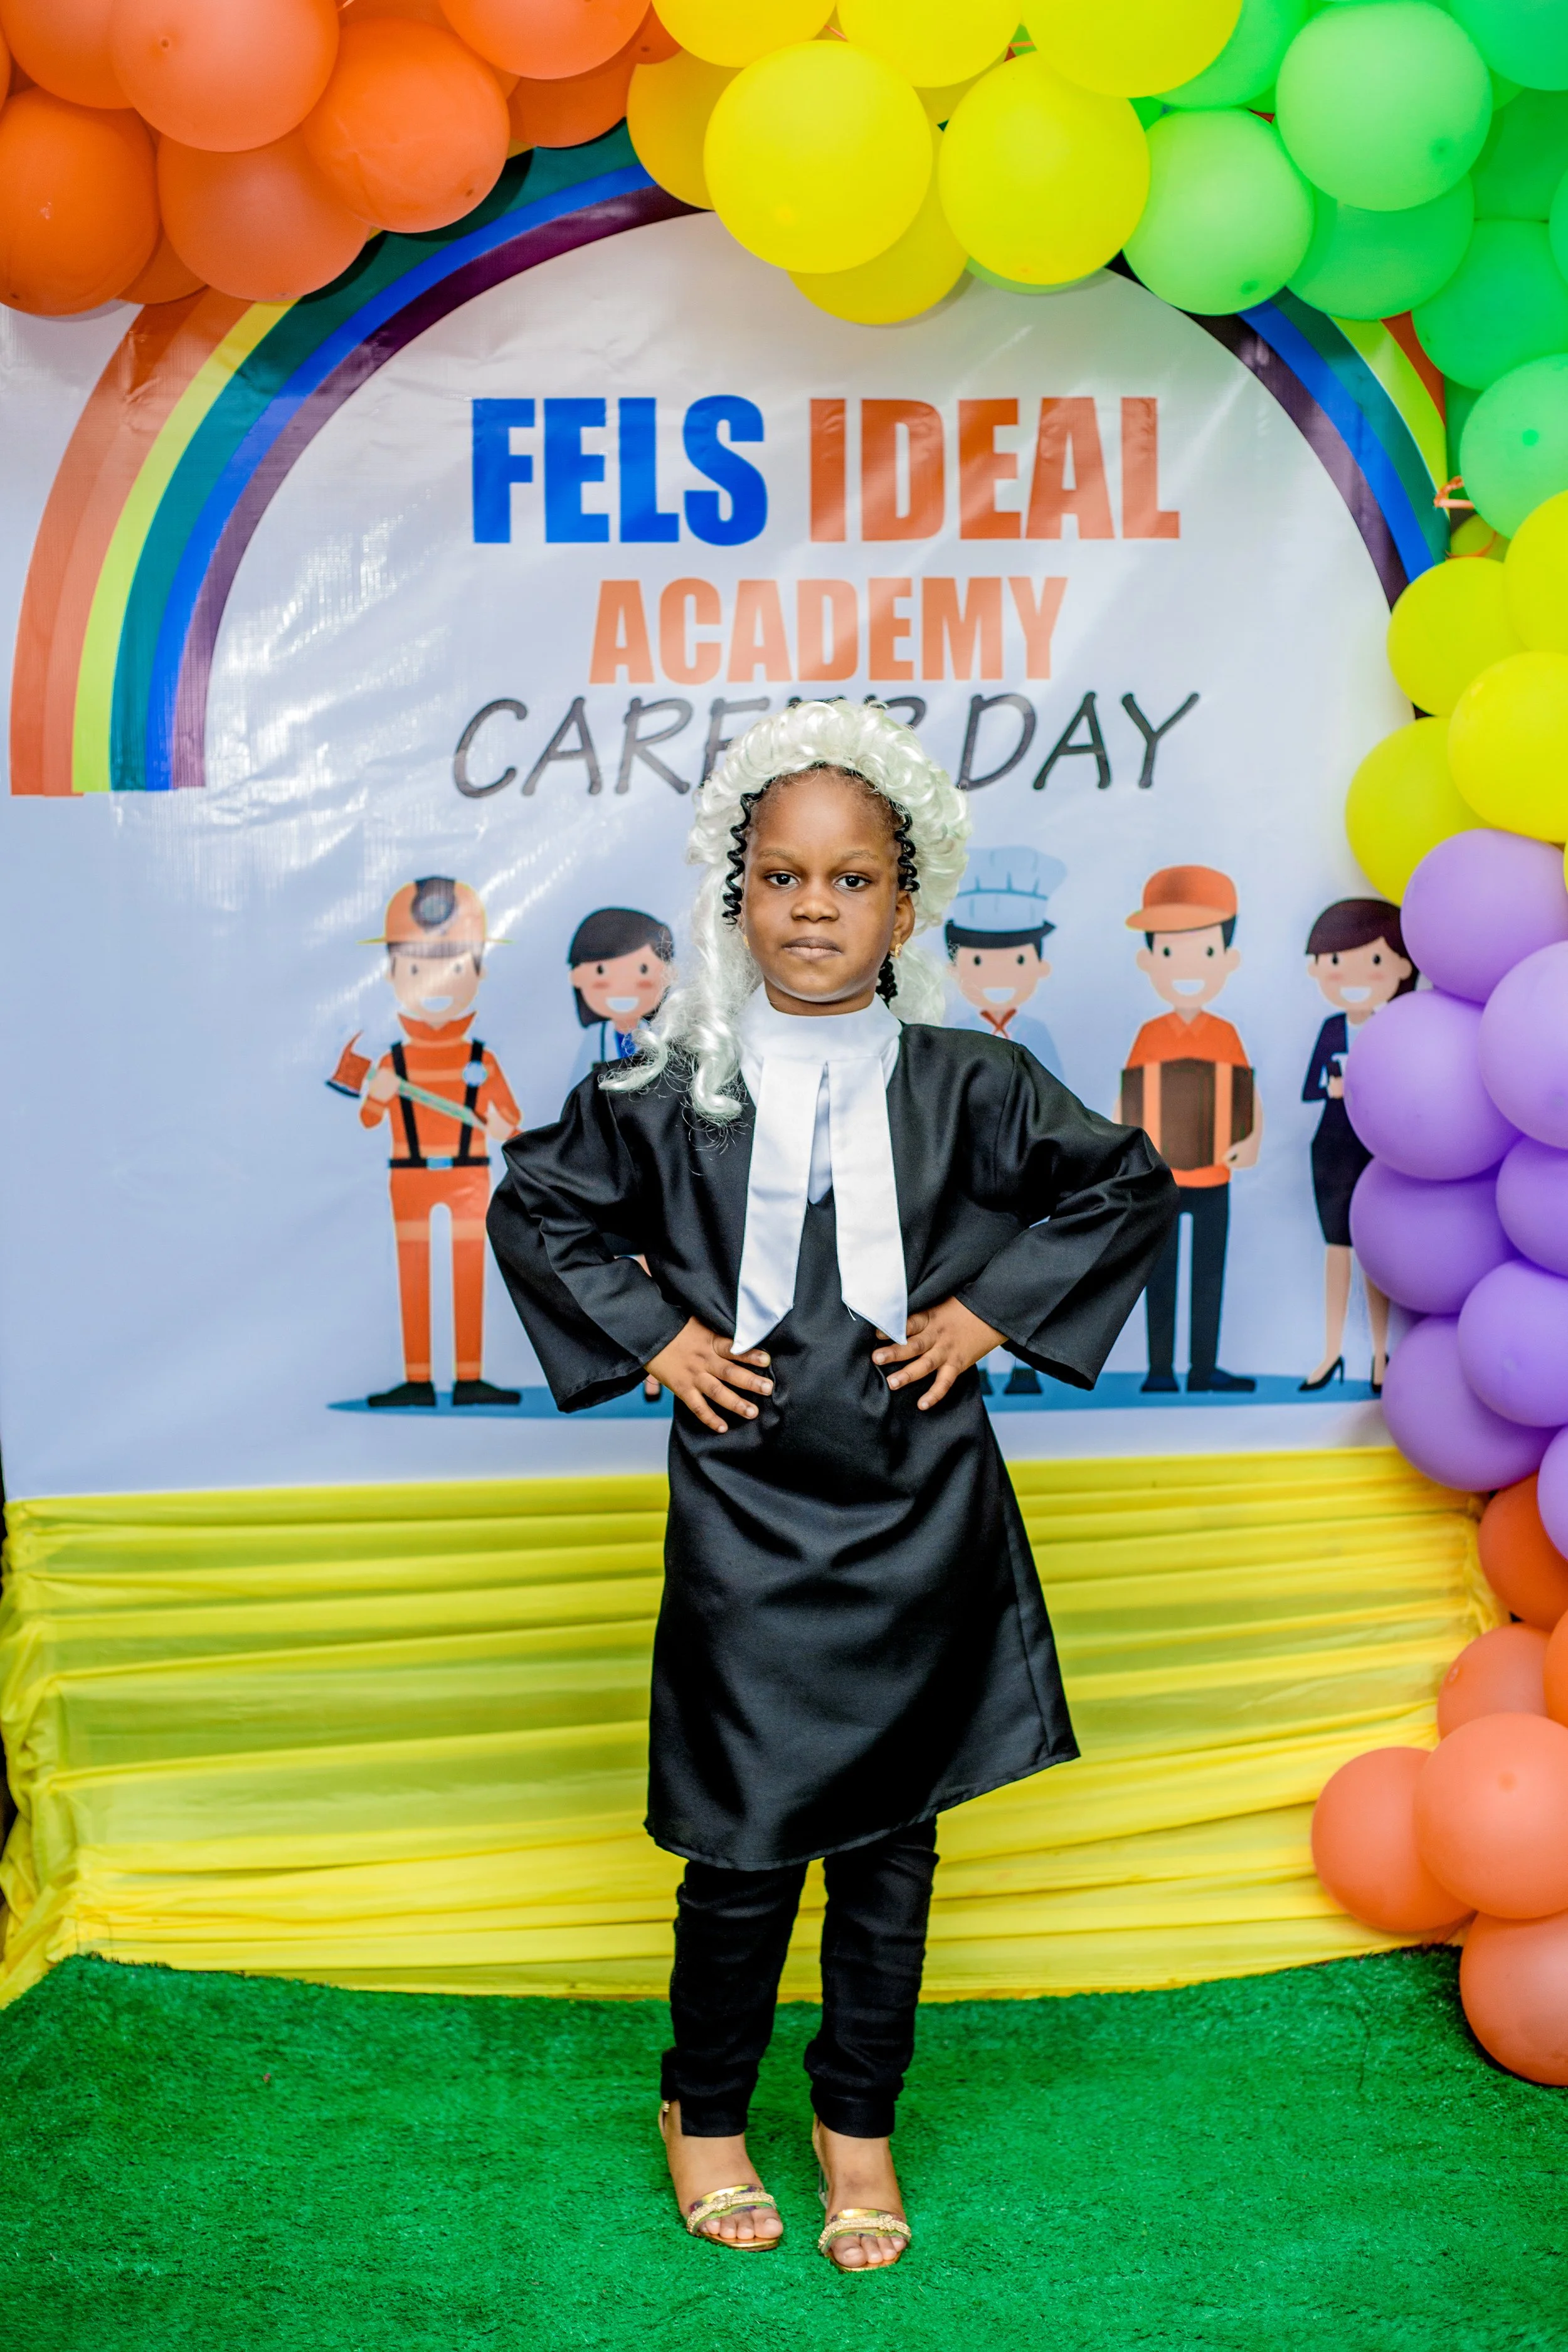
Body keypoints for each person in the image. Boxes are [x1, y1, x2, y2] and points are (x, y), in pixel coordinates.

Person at [488, 701, 1175, 2270]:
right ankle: (705, 2106)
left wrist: (992, 1306)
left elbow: (1127, 1180)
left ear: (905, 899)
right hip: (746, 1505)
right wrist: (659, 1333)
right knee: (740, 1840)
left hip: (921, 1500)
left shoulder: (971, 1079)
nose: (815, 906)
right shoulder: (673, 1085)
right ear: (738, 895)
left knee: (894, 1839)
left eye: (851, 878)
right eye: (784, 876)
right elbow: (543, 1206)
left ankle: (854, 2114)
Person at [351, 876, 522, 1409]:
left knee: (469, 1274)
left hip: (470, 1175)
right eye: (418, 966)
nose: (435, 981)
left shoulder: (482, 1059)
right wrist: (378, 1095)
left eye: (452, 965)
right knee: (415, 1276)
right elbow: (368, 1120)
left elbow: (511, 1122)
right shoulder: (392, 1062)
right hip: (410, 1177)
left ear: (478, 970)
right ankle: (419, 1379)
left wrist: (498, 1126)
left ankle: (469, 1377)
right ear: (393, 974)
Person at [1121, 865, 1261, 1394]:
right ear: (1149, 959)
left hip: (1214, 1178)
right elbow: (1127, 1102)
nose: (1185, 967)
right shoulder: (1149, 1035)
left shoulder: (1226, 1035)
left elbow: (1247, 1097)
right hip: (1160, 1180)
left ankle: (1203, 1369)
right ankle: (1160, 1370)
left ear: (1227, 960)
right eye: (1170, 951)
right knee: (1160, 1277)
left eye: (1203, 952)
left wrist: (1249, 1143)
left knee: (1208, 1277)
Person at [945, 844, 1068, 1397]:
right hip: (965, 1182)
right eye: (978, 960)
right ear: (955, 967)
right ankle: (979, 1368)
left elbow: (1061, 1106)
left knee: (1021, 1269)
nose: (996, 975)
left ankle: (1022, 1365)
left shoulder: (1036, 1036)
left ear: (1039, 965)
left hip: (1025, 1178)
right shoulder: (952, 1040)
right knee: (969, 1270)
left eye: (1015, 960)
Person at [1300, 897, 1416, 1393]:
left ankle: (1379, 1355)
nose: (1354, 977)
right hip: (1332, 1147)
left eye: (1372, 962)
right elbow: (1310, 1088)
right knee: (1337, 1251)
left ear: (1402, 967)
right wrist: (1335, 1086)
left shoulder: (1400, 1029)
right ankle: (1330, 1353)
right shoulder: (1331, 1029)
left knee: (1375, 1254)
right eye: (1337, 963)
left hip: (1381, 1151)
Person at [565, 907, 675, 1089]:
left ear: (671, 973)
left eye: (643, 969)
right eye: (601, 971)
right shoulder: (590, 1043)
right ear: (577, 977)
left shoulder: (667, 1035)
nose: (623, 985)